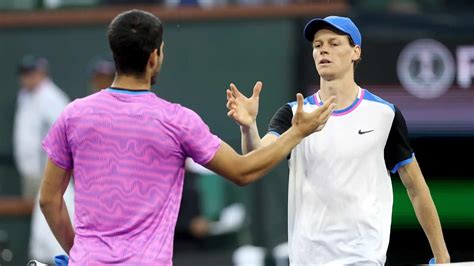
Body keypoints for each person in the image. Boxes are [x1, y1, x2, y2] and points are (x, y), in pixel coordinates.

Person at [38, 9, 336, 264]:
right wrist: (298, 131)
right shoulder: (176, 121)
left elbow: (49, 200)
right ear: (155, 56)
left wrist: (80, 254)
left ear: (115, 55)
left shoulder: (73, 115)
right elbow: (244, 171)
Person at [225, 15, 450, 264]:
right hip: (307, 259)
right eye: (318, 45)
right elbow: (255, 158)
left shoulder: (385, 115)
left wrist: (442, 258)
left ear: (355, 52)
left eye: (333, 43)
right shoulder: (293, 114)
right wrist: (248, 128)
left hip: (363, 257)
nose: (323, 50)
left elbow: (416, 189)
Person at [12, 55, 75, 263]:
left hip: (51, 170)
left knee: (52, 209)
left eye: (31, 72)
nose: (27, 78)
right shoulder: (25, 96)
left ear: (42, 72)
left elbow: (64, 139)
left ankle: (55, 258)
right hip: (30, 171)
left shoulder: (52, 97)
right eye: (24, 73)